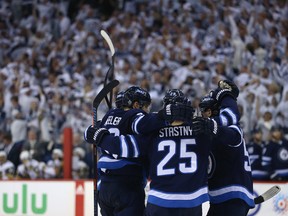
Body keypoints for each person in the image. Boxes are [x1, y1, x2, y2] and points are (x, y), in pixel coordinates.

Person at [86, 92, 245, 216]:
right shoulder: (202, 129)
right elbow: (235, 137)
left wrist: (99, 136)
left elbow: (124, 147)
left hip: (159, 202)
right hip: (192, 203)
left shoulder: (152, 131)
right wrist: (226, 97)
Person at [85, 86, 152, 216]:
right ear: (136, 105)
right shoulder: (135, 118)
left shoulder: (108, 116)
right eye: (146, 106)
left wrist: (91, 134)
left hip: (104, 186)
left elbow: (89, 132)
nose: (147, 110)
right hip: (128, 185)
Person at [199, 80, 255, 216]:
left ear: (215, 110)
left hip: (232, 195)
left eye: (206, 110)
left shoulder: (231, 127)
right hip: (222, 198)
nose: (203, 114)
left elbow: (232, 134)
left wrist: (225, 94)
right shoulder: (209, 131)